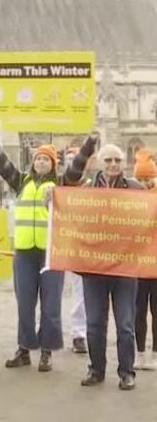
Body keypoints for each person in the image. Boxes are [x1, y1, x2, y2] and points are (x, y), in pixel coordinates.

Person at [65, 136, 141, 390]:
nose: (113, 164)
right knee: (95, 323)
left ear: (125, 163)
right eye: (108, 160)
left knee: (126, 324)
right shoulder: (86, 192)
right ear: (98, 162)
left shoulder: (136, 190)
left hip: (125, 269)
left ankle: (126, 372)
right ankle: (96, 369)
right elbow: (71, 217)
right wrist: (52, 204)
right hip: (93, 269)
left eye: (118, 160)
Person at [0, 142, 64, 372]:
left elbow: (79, 169)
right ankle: (23, 349)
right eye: (38, 158)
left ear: (53, 164)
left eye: (46, 159)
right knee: (25, 303)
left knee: (50, 305)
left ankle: (46, 352)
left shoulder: (61, 185)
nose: (41, 162)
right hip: (24, 252)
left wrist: (89, 145)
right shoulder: (21, 181)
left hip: (51, 253)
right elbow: (3, 167)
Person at [62, 147, 88, 354]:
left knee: (80, 293)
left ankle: (79, 334)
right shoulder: (57, 185)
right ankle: (42, 329)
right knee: (50, 292)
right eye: (68, 160)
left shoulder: (91, 187)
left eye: (75, 160)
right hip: (59, 244)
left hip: (82, 245)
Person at [133, 148, 157, 370]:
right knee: (138, 313)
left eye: (148, 178)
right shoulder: (131, 199)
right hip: (138, 267)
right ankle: (139, 353)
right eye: (140, 179)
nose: (144, 183)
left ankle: (155, 354)